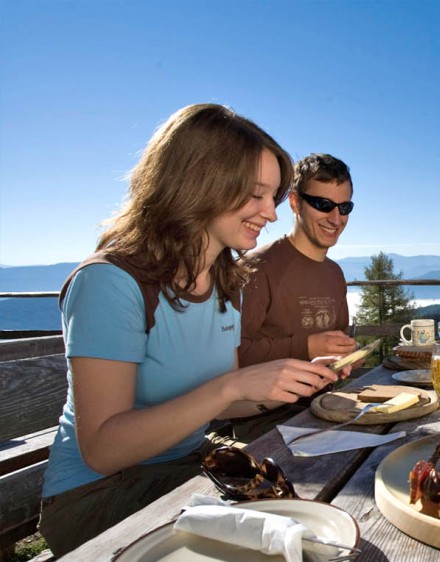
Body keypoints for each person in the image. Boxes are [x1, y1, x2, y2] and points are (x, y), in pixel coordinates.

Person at [38, 104, 343, 555]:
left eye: (273, 197)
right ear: (199, 181)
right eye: (255, 195)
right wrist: (230, 386)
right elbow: (102, 449)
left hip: (187, 464)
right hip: (100, 493)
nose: (271, 214)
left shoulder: (225, 283)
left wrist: (291, 381)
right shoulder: (110, 282)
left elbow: (228, 399)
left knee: (312, 516)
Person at [233, 153, 359, 441]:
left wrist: (347, 355)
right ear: (294, 202)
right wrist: (307, 347)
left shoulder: (334, 273)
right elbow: (232, 356)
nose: (336, 218)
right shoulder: (256, 268)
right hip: (264, 422)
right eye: (323, 204)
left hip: (327, 407)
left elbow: (335, 345)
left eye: (344, 207)